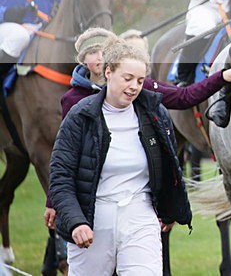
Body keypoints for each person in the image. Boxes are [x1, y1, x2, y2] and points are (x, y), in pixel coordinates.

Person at [44, 28, 231, 230]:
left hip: (135, 196)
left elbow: (184, 97)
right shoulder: (73, 100)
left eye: (103, 51)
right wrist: (53, 202)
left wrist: (222, 77)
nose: (98, 57)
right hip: (92, 196)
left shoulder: (138, 86)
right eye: (91, 52)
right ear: (82, 58)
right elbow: (66, 154)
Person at [49, 38, 192, 274]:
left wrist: (171, 208)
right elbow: (61, 176)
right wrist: (76, 222)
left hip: (140, 216)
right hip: (93, 220)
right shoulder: (79, 115)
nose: (134, 86)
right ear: (108, 72)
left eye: (140, 80)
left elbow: (169, 166)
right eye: (127, 79)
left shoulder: (156, 114)